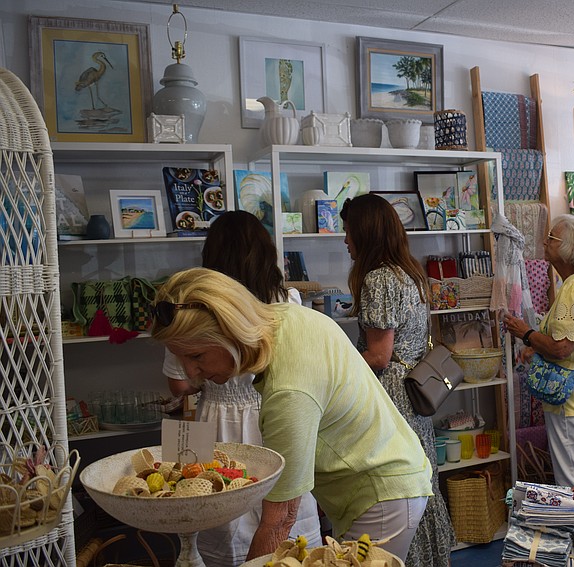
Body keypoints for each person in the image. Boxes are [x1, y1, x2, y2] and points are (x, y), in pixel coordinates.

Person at [151, 267, 433, 562]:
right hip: (382, 481)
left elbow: (280, 519)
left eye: (196, 356)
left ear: (230, 330)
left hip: (382, 496)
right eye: (180, 357)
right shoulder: (281, 316)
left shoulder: (289, 389)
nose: (190, 372)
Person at [162, 210, 320, 566]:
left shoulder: (193, 307)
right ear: (265, 253)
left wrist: (203, 376)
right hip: (276, 414)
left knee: (216, 508)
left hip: (214, 421)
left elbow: (178, 383)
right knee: (282, 511)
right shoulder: (286, 300)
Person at [340, 194, 455, 567]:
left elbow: (378, 355)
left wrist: (336, 368)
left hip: (390, 396)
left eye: (348, 231)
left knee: (395, 490)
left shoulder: (377, 279)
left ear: (365, 233)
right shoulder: (409, 273)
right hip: (413, 391)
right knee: (418, 484)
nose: (345, 240)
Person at [502, 214, 574, 489]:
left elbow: (563, 348)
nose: (544, 241)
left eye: (552, 238)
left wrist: (526, 334)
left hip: (572, 397)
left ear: (570, 248)